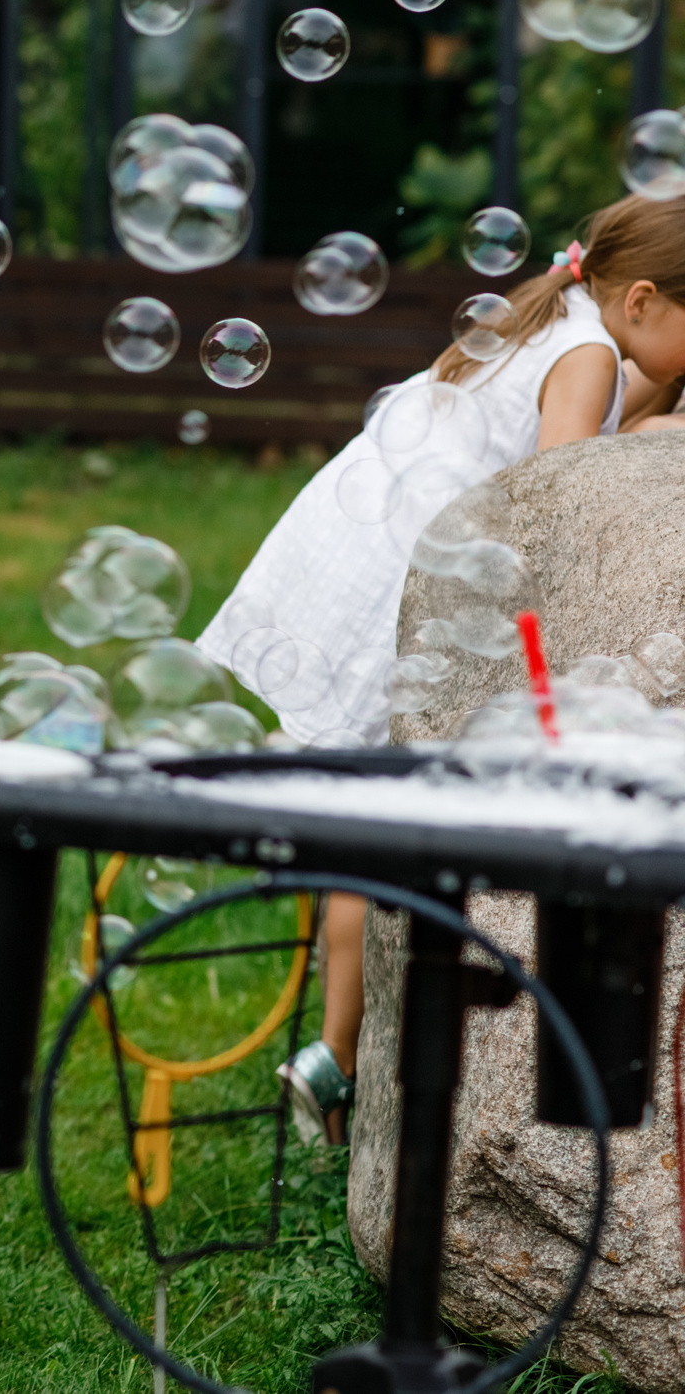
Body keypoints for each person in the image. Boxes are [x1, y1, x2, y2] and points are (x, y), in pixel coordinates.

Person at [199, 191, 685, 1142]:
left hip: (358, 556)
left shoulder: (552, 319)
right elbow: (559, 500)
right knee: (376, 829)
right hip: (407, 579)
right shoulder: (587, 354)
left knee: (362, 813)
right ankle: (336, 1057)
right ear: (639, 300)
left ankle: (336, 1053)